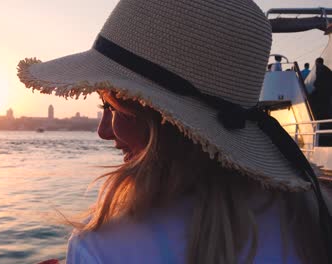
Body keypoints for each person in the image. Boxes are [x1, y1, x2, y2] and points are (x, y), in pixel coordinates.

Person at [17, 0, 332, 263]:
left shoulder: (104, 248)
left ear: (164, 121)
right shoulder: (312, 213)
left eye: (112, 108)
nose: (102, 132)